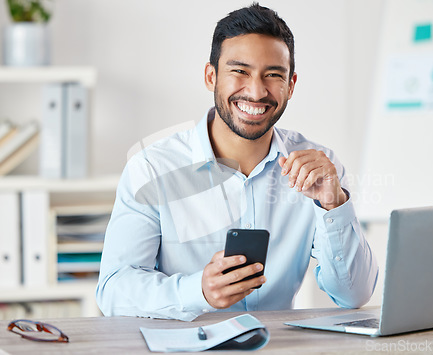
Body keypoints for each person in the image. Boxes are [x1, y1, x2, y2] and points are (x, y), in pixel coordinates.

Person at [96, 3, 378, 321]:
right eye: (240, 71)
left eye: (273, 75)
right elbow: (114, 291)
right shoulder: (152, 169)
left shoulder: (318, 169)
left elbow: (354, 294)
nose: (256, 92)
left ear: (291, 85)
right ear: (211, 76)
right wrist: (197, 291)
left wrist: (333, 205)